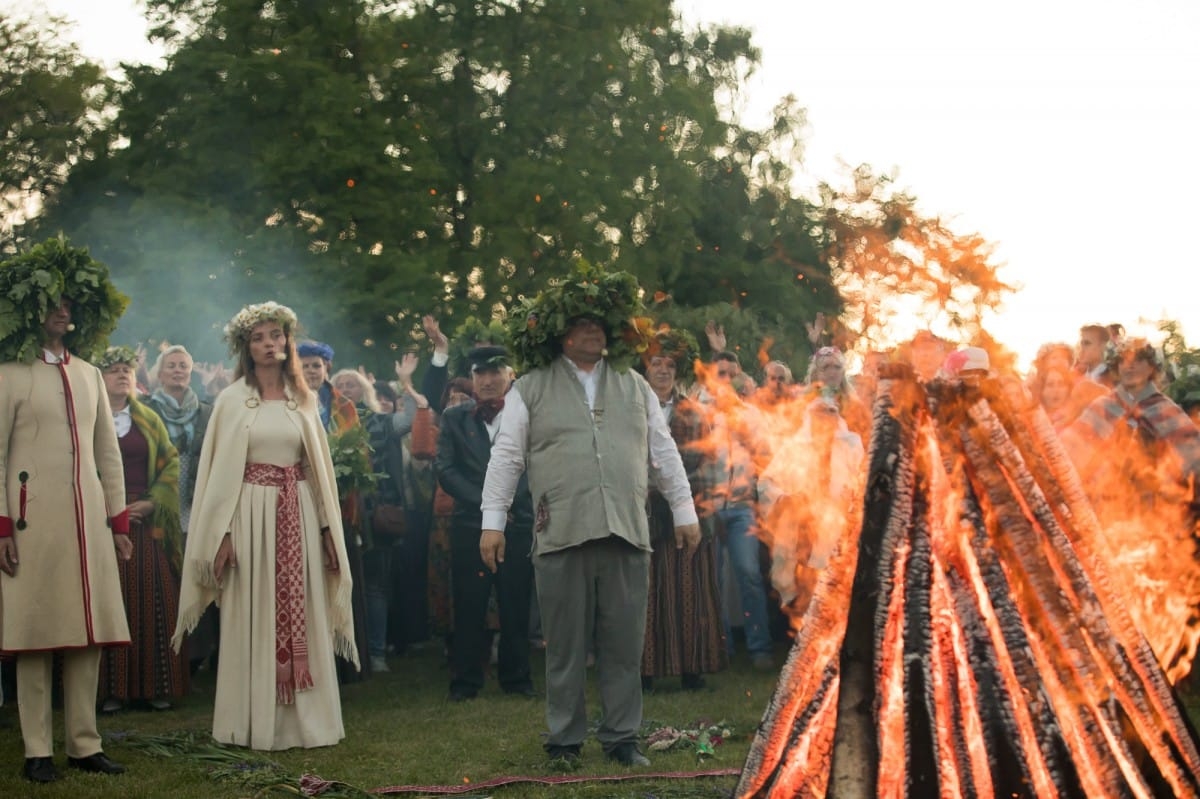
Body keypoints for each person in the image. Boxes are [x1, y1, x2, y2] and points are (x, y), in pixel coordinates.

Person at [481, 265, 700, 768]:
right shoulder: (530, 387)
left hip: (626, 528)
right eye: (580, 322)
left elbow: (662, 452)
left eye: (600, 322)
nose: (591, 330)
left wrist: (684, 510)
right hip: (560, 530)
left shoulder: (635, 386)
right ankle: (564, 741)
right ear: (560, 331)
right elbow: (507, 456)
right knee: (564, 645)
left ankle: (623, 738)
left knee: (625, 642)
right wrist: (493, 522)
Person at [172, 301, 358, 750]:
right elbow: (217, 475)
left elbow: (318, 472)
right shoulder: (232, 401)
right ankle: (249, 723)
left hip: (298, 513)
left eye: (275, 335)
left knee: (306, 610)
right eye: (258, 337)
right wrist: (223, 534)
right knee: (251, 614)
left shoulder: (304, 399)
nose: (269, 343)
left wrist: (328, 530)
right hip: (249, 516)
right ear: (246, 347)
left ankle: (310, 725)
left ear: (287, 341)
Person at [0, 238, 133, 783]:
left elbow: (109, 452)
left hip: (89, 526)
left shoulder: (89, 375)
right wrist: (2, 525)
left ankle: (84, 743)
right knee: (34, 635)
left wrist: (118, 520)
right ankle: (36, 750)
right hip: (32, 523)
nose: (63, 308)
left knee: (88, 633)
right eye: (54, 300)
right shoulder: (8, 372)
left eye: (70, 301)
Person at [1060, 337, 1200, 683]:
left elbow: (1193, 462)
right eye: (1124, 360)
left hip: (1154, 524)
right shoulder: (1102, 408)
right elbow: (1067, 456)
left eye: (1139, 360)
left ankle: (1160, 673)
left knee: (1152, 596)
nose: (1130, 365)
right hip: (1107, 518)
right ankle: (1116, 674)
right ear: (1116, 366)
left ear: (1153, 367)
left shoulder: (1165, 410)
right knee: (1111, 595)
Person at [436, 346, 536, 701]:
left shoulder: (527, 414)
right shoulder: (454, 418)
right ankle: (465, 681)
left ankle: (517, 678)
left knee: (516, 602)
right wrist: (488, 505)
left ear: (511, 375)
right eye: (481, 374)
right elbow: (444, 469)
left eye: (496, 373)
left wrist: (508, 504)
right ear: (473, 378)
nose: (489, 380)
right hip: (469, 524)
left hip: (519, 521)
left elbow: (535, 464)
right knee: (469, 603)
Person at [96, 346, 189, 713]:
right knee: (107, 598)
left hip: (145, 520)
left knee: (154, 598)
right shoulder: (88, 418)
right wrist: (106, 508)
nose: (122, 375)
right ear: (100, 378)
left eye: (127, 371)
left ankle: (154, 685)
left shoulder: (148, 418)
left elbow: (170, 464)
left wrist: (151, 502)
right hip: (99, 518)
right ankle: (111, 689)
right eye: (114, 370)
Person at [639, 329, 727, 691]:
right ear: (645, 369)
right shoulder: (632, 406)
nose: (663, 370)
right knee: (647, 588)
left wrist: (681, 493)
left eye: (669, 365)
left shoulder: (693, 410)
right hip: (643, 509)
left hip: (688, 506)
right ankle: (645, 670)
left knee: (692, 587)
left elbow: (707, 457)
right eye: (656, 363)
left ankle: (693, 668)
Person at [297, 341, 371, 682]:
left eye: (317, 365)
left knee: (338, 575)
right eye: (306, 365)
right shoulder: (287, 402)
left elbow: (359, 453)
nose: (312, 371)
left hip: (339, 505)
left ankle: (345, 661)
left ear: (327, 368)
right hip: (298, 500)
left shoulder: (344, 407)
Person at [145, 343, 216, 673]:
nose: (178, 370)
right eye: (171, 365)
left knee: (198, 580)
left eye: (183, 365)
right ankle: (164, 657)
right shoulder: (144, 409)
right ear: (159, 373)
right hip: (158, 506)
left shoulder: (206, 411)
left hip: (196, 505)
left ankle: (196, 655)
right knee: (164, 582)